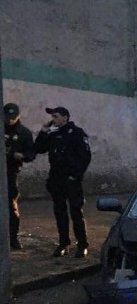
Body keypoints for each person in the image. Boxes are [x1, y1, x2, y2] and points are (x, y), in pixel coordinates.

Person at [33, 107, 91, 258]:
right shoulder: (53, 133)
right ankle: (63, 243)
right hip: (56, 179)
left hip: (71, 179)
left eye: (56, 116)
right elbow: (38, 149)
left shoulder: (77, 133)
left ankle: (82, 244)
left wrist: (76, 175)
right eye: (52, 116)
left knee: (76, 211)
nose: (53, 119)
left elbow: (85, 156)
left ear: (65, 117)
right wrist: (44, 131)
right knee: (60, 212)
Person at [4, 103, 36, 250]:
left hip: (11, 172)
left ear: (18, 116)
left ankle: (13, 237)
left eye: (13, 117)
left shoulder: (24, 133)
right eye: (7, 117)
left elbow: (31, 154)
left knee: (11, 205)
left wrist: (21, 156)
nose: (10, 120)